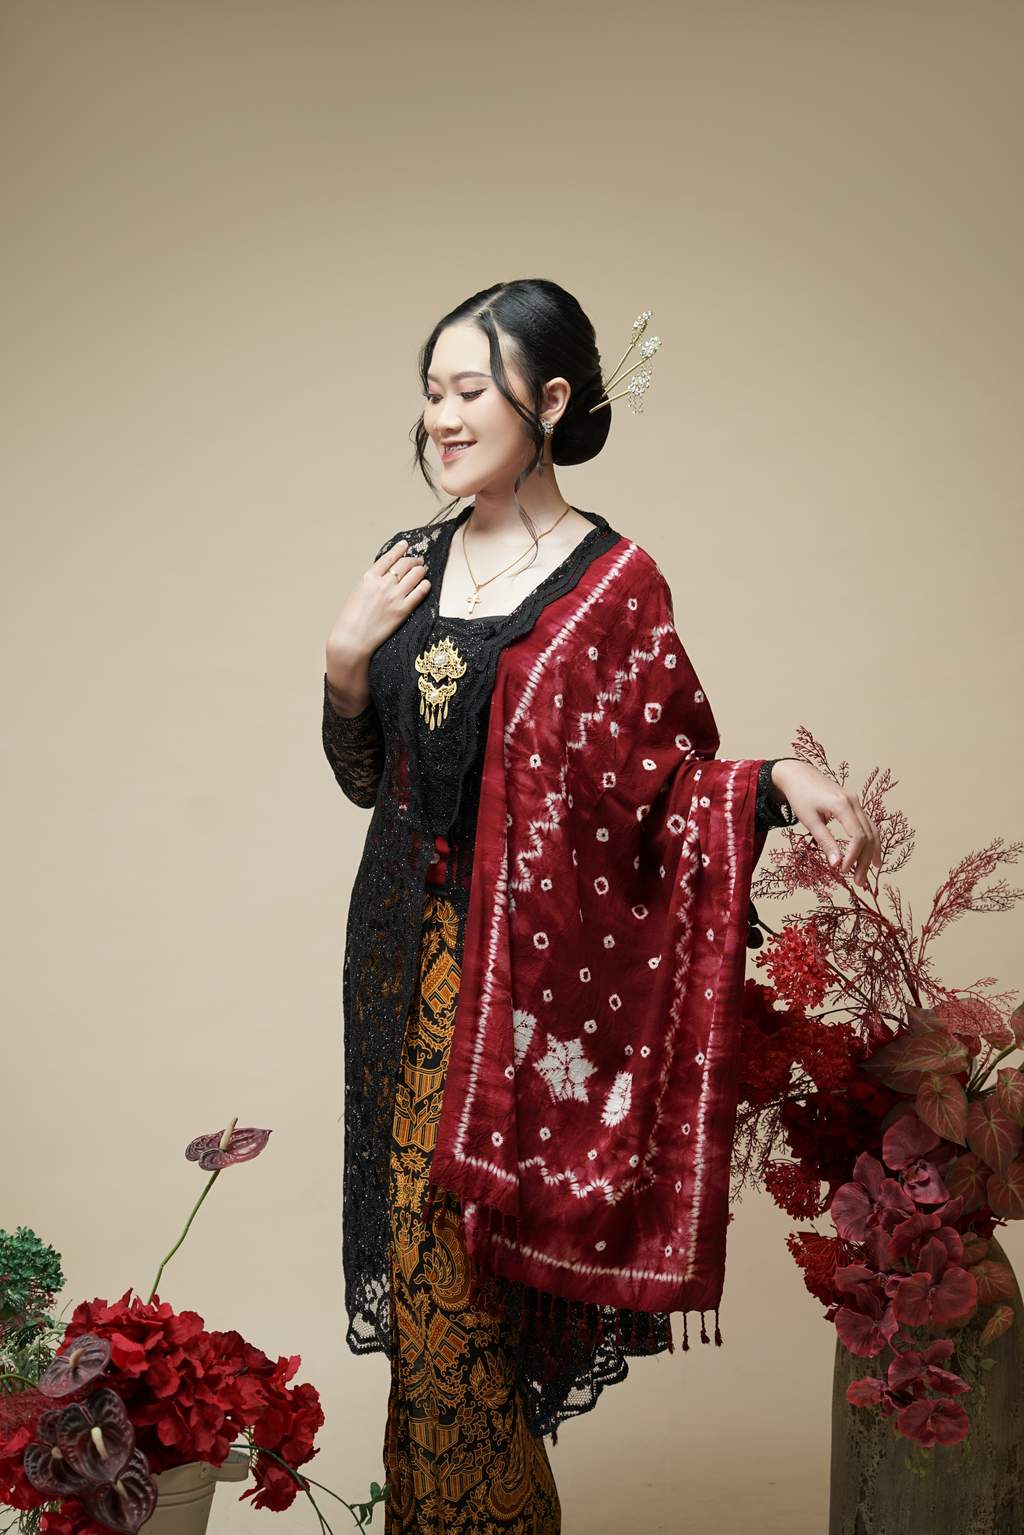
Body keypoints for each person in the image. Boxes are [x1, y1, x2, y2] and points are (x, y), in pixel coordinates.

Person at [321, 279, 881, 1534]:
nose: (441, 417)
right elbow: (375, 781)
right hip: (407, 979)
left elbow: (658, 782)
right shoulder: (409, 563)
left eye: (469, 390)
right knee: (426, 1321)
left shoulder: (612, 584)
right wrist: (346, 664)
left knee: (459, 1324)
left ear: (551, 400)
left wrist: (772, 782)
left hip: (526, 1008)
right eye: (430, 392)